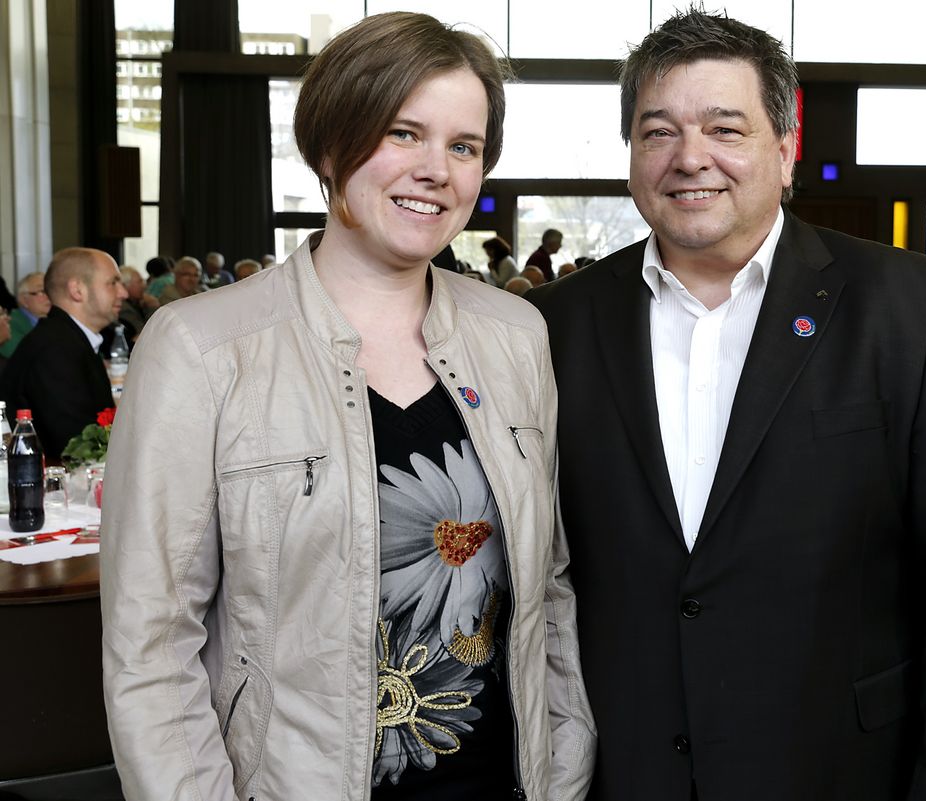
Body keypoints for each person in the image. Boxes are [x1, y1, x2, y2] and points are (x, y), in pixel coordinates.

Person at [528, 9, 926, 801]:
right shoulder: (554, 324)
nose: (690, 157)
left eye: (725, 128)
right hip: (625, 773)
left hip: (841, 772)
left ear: (786, 150)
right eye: (659, 132)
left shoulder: (906, 308)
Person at [101, 12, 595, 801]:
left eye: (464, 147)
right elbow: (152, 647)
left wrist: (565, 769)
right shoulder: (202, 348)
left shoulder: (515, 335)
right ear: (331, 146)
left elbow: (551, 591)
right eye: (404, 133)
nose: (436, 170)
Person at [0, 248, 125, 460]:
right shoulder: (54, 349)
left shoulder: (69, 339)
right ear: (77, 291)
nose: (123, 293)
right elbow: (77, 449)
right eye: (112, 283)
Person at [0, 271, 50, 359]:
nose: (48, 296)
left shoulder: (57, 322)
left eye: (50, 290)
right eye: (42, 291)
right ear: (24, 300)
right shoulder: (9, 324)